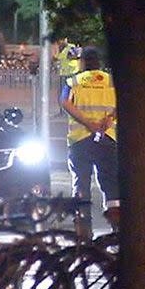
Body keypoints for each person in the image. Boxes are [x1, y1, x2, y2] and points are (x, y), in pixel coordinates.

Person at [59, 47, 119, 240]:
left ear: (83, 62)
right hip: (107, 137)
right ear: (98, 62)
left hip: (80, 140)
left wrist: (88, 124)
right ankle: (117, 229)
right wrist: (108, 121)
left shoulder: (74, 81)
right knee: (110, 184)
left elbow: (64, 102)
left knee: (81, 182)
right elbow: (123, 101)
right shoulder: (111, 80)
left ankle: (83, 231)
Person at [55, 38, 82, 115]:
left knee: (70, 93)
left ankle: (70, 112)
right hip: (63, 74)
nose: (61, 41)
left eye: (63, 40)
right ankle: (62, 111)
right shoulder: (60, 49)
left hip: (71, 74)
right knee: (61, 93)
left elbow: (74, 55)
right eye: (60, 40)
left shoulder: (71, 47)